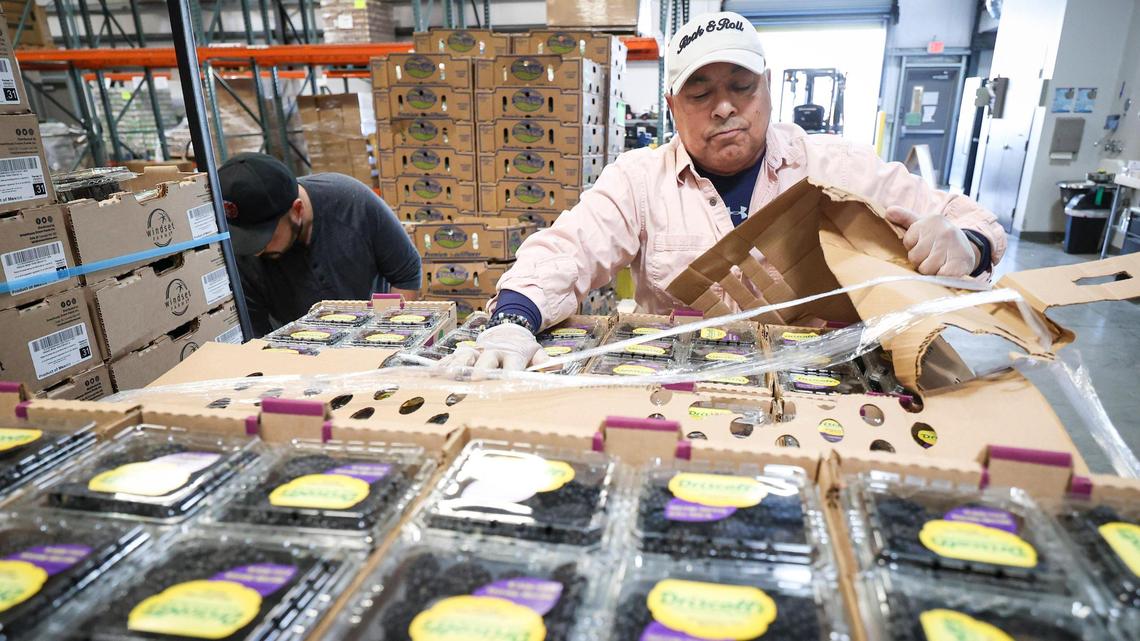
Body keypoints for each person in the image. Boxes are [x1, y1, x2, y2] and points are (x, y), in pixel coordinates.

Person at [449, 11, 1007, 371]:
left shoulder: (833, 166)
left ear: (769, 87)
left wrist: (964, 241)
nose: (724, 106)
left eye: (741, 86)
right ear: (672, 107)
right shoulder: (639, 180)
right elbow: (566, 250)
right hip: (679, 386)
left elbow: (970, 219)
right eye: (700, 93)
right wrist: (514, 320)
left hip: (825, 383)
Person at [218, 152, 422, 337]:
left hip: (371, 336)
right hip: (301, 353)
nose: (257, 251)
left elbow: (406, 272)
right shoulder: (242, 253)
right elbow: (255, 334)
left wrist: (385, 335)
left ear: (297, 210)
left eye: (265, 237)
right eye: (245, 239)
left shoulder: (353, 204)